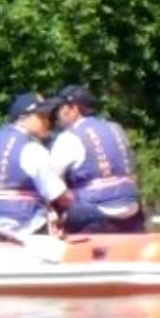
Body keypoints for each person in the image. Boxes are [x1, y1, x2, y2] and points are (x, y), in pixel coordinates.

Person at [0, 92, 74, 235]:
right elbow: (59, 196)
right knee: (84, 215)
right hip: (25, 227)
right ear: (23, 117)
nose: (48, 121)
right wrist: (81, 205)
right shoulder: (32, 149)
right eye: (42, 115)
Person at [49, 84, 146, 234]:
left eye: (61, 109)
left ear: (74, 109)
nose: (58, 116)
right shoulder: (116, 128)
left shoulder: (68, 137)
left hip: (97, 217)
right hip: (132, 214)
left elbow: (51, 184)